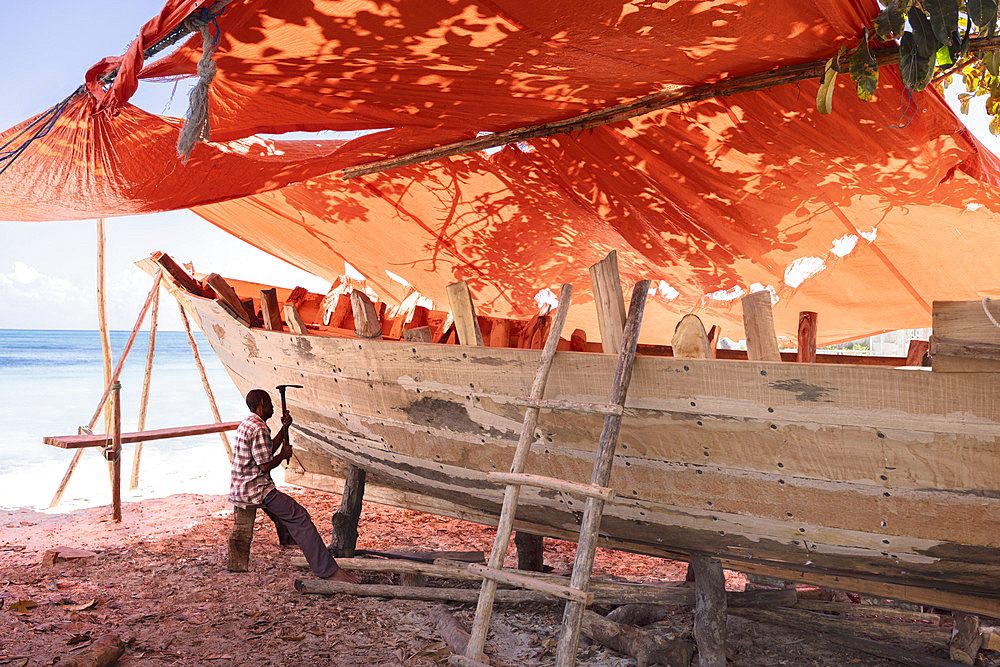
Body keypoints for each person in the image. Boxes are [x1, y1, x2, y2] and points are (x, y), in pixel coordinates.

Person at [229, 388, 359, 583]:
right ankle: (328, 571)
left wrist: (283, 429)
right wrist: (282, 455)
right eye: (271, 404)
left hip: (240, 487)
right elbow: (264, 465)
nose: (273, 408)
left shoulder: (247, 424)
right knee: (300, 517)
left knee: (288, 513)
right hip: (255, 490)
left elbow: (266, 449)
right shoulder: (259, 428)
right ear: (263, 403)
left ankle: (292, 541)